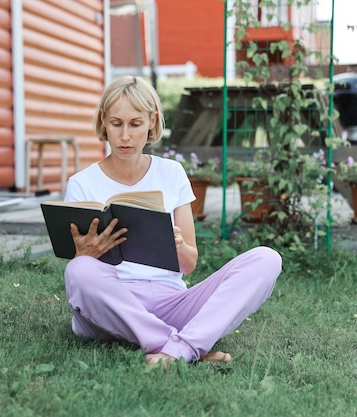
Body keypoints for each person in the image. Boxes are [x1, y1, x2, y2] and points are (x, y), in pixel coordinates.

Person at [63, 75, 282, 366]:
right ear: (103, 121)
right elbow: (83, 273)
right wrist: (85, 254)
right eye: (116, 124)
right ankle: (180, 345)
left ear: (152, 122)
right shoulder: (81, 184)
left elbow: (189, 264)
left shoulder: (172, 173)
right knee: (79, 269)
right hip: (116, 305)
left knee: (266, 259)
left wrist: (177, 244)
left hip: (173, 302)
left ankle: (179, 347)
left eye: (135, 124)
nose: (125, 136)